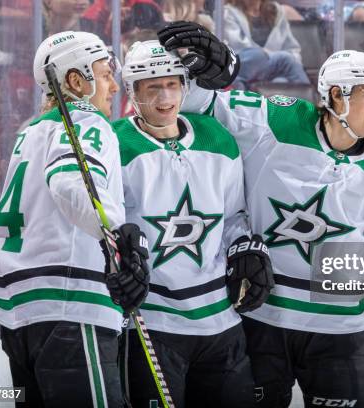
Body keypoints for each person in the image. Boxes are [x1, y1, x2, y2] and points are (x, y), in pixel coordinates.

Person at [158, 21, 364, 407]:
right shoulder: (275, 120)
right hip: (262, 317)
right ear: (337, 95)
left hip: (340, 330)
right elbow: (195, 107)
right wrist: (211, 75)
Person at [0, 31, 151, 406]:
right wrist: (119, 238)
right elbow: (69, 181)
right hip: (69, 305)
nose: (112, 87)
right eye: (105, 74)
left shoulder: (29, 131)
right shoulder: (85, 118)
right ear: (76, 81)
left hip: (19, 311)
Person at [113, 40, 273, 408]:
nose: (165, 96)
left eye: (172, 84)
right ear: (132, 92)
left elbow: (234, 215)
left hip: (221, 321)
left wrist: (244, 245)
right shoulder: (115, 145)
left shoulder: (217, 138)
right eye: (152, 87)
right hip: (152, 323)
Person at [224, 0, 310, 90]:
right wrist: (273, 57)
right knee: (284, 59)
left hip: (271, 68)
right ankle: (313, 100)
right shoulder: (228, 12)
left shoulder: (276, 11)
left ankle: (307, 100)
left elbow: (291, 47)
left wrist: (293, 61)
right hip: (243, 64)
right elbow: (237, 46)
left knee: (280, 82)